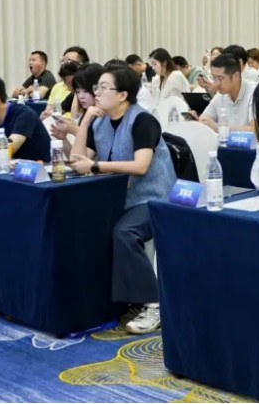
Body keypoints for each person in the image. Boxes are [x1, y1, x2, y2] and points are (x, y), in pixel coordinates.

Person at [69, 67, 177, 335]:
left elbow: (141, 166)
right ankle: (107, 298)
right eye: (97, 87)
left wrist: (96, 167)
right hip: (119, 198)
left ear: (123, 95)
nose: (97, 93)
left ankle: (154, 303)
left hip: (154, 198)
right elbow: (76, 160)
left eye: (104, 88)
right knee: (84, 226)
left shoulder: (143, 120)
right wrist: (84, 122)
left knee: (124, 232)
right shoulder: (99, 122)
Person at [198, 54, 255, 132]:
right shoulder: (221, 94)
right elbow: (204, 119)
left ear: (236, 76)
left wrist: (219, 128)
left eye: (220, 78)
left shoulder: (254, 92)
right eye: (214, 78)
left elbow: (254, 130)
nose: (215, 84)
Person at [50, 63, 104, 141]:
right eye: (78, 92)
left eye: (85, 91)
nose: (81, 96)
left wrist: (75, 130)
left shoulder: (104, 117)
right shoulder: (86, 113)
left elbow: (95, 147)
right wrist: (63, 139)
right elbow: (76, 149)